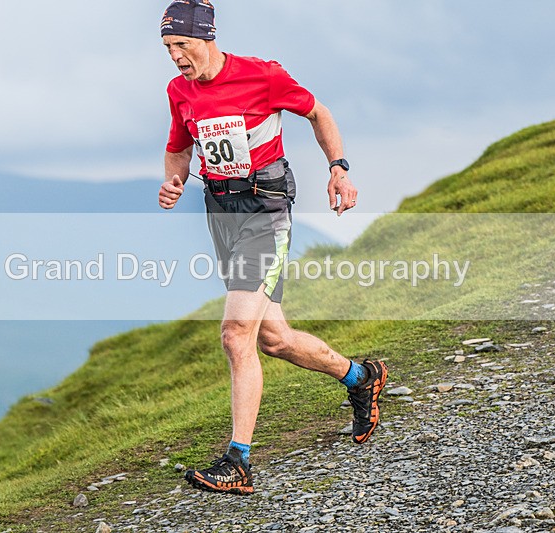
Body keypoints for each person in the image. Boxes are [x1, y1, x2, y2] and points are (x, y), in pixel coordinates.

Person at [158, 0, 388, 495]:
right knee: (274, 338)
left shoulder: (262, 76)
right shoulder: (179, 91)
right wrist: (173, 181)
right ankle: (359, 376)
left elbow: (318, 112)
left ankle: (238, 461)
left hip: (266, 210)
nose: (175, 56)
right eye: (168, 47)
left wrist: (339, 168)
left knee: (235, 333)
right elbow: (179, 146)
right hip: (220, 211)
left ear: (208, 38)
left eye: (182, 44)